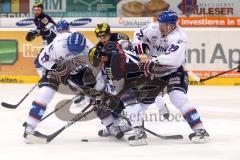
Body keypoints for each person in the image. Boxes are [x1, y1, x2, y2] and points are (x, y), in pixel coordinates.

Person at [134, 10, 209, 143]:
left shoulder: (179, 37)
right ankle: (136, 127)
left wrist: (153, 61)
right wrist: (140, 46)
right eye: (160, 22)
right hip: (155, 72)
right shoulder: (152, 28)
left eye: (163, 24)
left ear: (171, 25)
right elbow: (138, 34)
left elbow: (173, 60)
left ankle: (200, 130)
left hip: (174, 71)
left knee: (178, 97)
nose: (160, 26)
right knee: (143, 99)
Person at [23, 32, 94, 143]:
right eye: (71, 50)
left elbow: (96, 68)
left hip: (77, 69)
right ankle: (30, 127)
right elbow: (43, 59)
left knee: (97, 92)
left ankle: (112, 124)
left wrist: (89, 83)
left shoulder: (90, 49)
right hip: (56, 65)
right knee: (46, 91)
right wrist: (57, 68)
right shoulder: (58, 45)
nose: (74, 53)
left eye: (77, 51)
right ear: (67, 43)